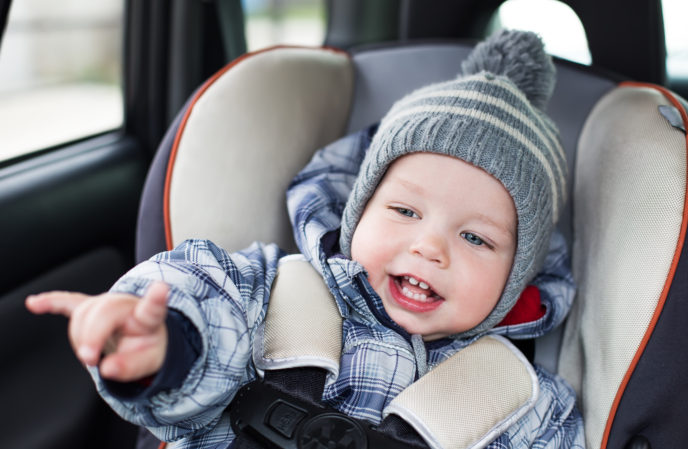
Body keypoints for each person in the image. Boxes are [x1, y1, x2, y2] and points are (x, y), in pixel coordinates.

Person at [26, 30, 583, 448]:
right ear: (358, 211)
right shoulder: (277, 293)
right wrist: (166, 346)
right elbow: (205, 297)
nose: (430, 247)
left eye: (475, 239)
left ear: (518, 277)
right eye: (405, 210)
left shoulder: (520, 399)